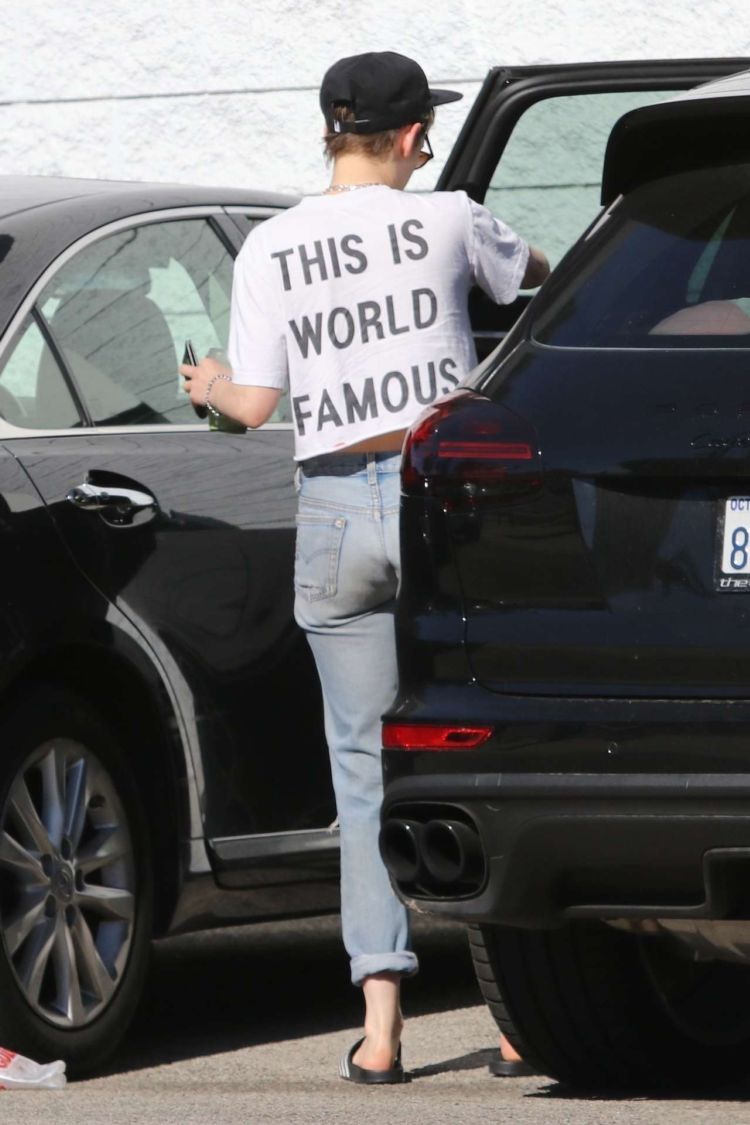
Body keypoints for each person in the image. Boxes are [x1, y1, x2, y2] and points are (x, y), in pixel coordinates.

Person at [181, 49, 549, 1084]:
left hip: (336, 512)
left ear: (332, 133)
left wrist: (207, 385)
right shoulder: (452, 218)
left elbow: (252, 406)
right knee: (486, 746)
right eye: (426, 133)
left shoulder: (271, 247)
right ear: (412, 137)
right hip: (443, 506)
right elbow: (544, 280)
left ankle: (381, 1029)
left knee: (361, 770)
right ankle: (521, 1015)